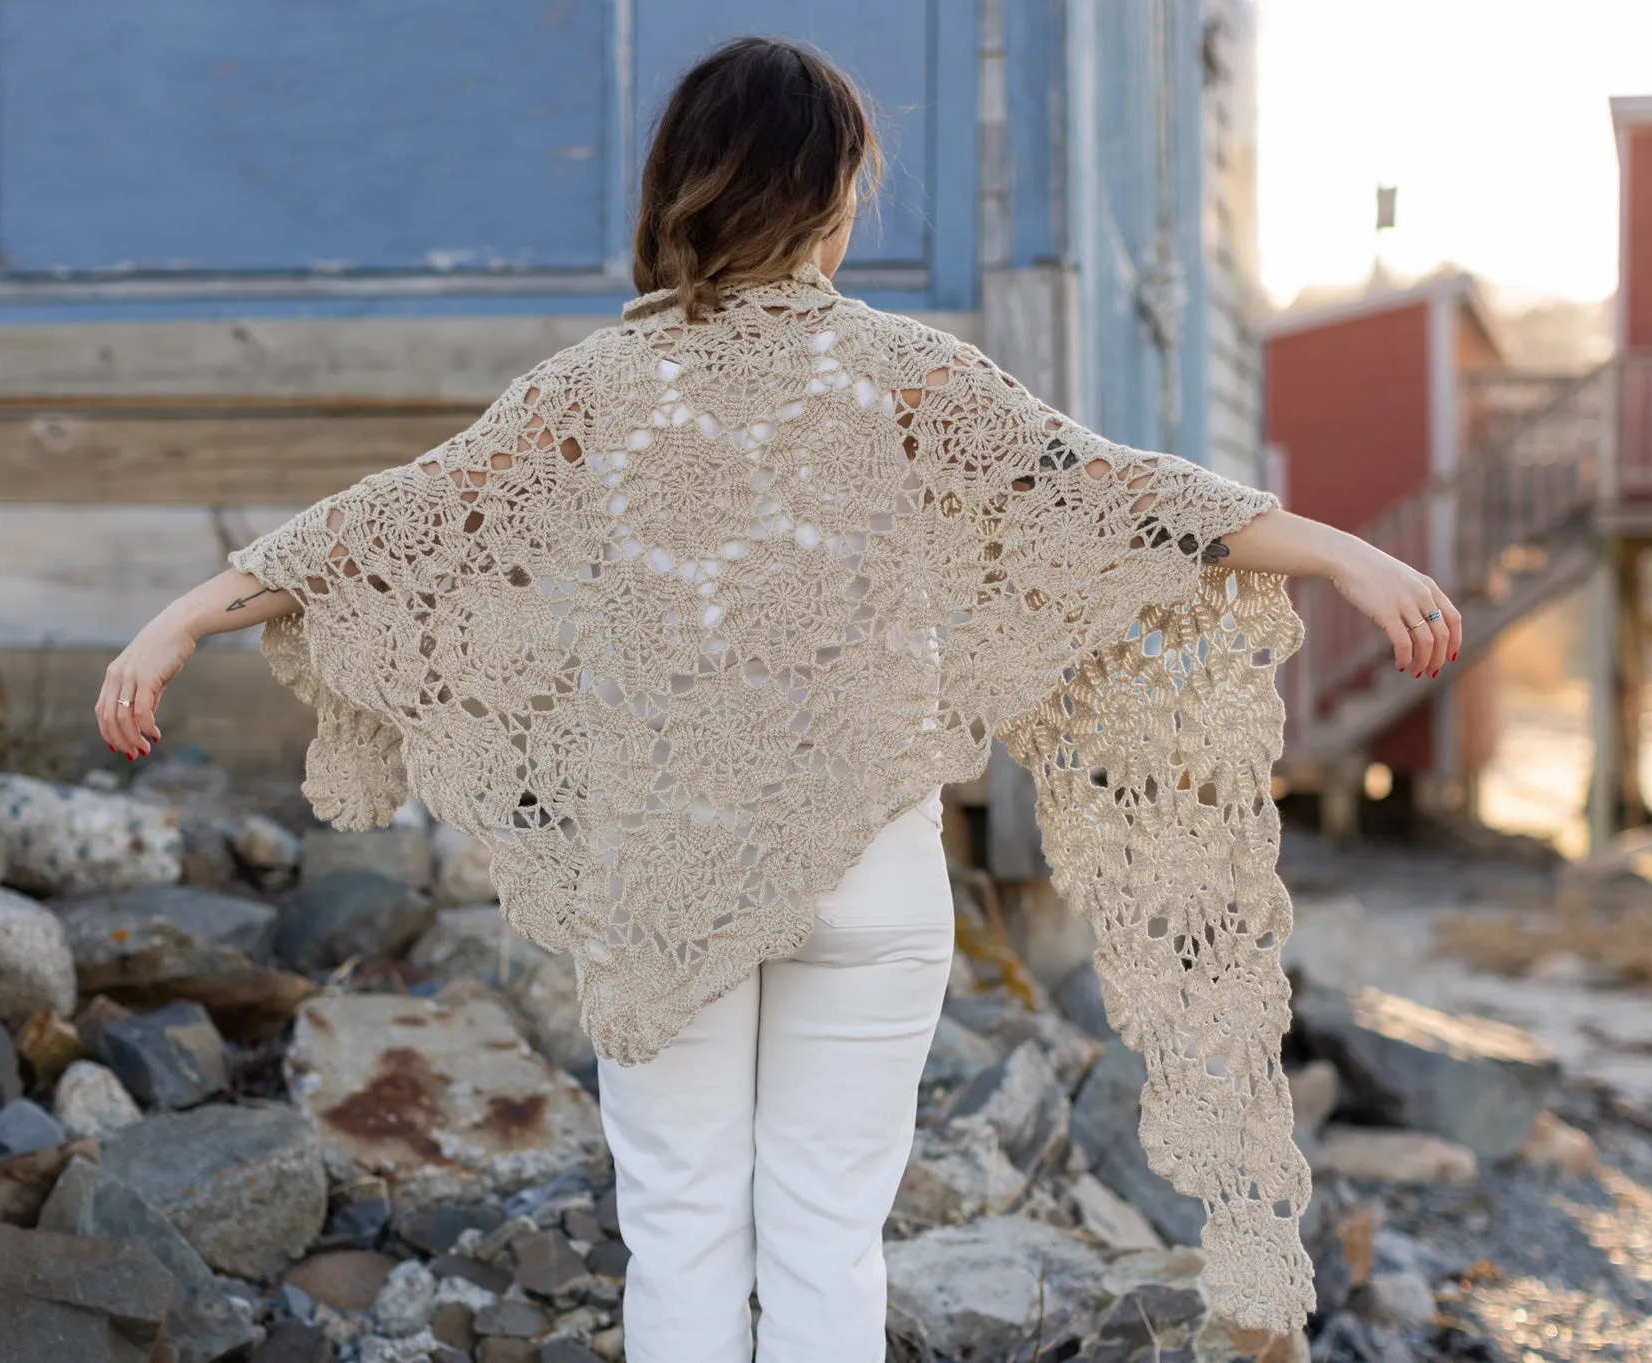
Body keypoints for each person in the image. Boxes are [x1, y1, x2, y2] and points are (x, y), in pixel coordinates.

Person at [96, 37, 1459, 1363]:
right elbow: (1121, 493)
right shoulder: (905, 372)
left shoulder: (597, 387)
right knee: (828, 1241)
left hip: (667, 871)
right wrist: (1343, 546)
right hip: (869, 874)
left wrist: (181, 618)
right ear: (827, 194)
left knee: (684, 1229)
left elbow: (391, 528)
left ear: (681, 185)